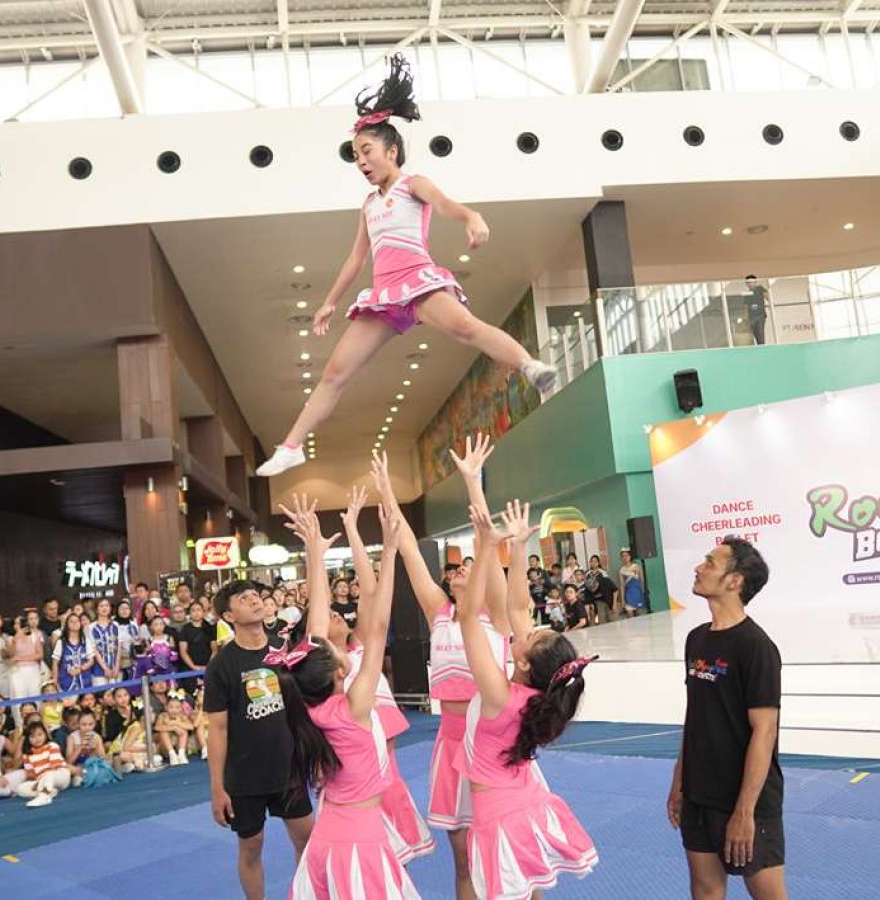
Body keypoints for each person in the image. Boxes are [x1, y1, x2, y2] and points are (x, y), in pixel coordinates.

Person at [255, 55, 556, 478]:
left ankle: (530, 365)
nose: (361, 162)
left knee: (467, 328)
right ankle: (291, 446)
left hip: (419, 284)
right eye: (356, 155)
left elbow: (447, 204)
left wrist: (471, 217)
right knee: (335, 373)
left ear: (391, 150)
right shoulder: (368, 204)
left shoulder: (413, 184)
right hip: (383, 297)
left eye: (367, 152)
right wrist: (327, 303)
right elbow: (356, 258)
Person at [375, 440, 512, 899]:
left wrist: (473, 484)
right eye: (454, 568)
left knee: (506, 854)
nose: (459, 570)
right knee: (464, 858)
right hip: (450, 740)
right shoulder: (439, 612)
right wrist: (389, 497)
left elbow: (487, 541)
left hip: (492, 740)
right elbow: (411, 550)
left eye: (468, 566)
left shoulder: (494, 613)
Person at [274, 500, 424, 898]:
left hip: (335, 826)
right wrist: (388, 553)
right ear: (339, 672)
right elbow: (377, 625)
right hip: (358, 837)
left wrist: (315, 554)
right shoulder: (352, 706)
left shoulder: (309, 707)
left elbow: (319, 619)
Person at [459, 500, 599, 897]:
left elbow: (469, 617)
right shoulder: (536, 692)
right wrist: (518, 548)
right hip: (524, 800)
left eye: (533, 634)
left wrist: (487, 548)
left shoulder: (499, 694)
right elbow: (519, 605)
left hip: (499, 814)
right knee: (530, 889)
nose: (529, 627)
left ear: (522, 660)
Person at [669, 537, 787, 900]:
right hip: (699, 793)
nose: (699, 568)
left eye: (710, 562)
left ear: (734, 580)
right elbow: (696, 717)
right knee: (705, 890)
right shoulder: (696, 639)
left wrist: (744, 812)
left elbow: (764, 731)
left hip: (744, 799)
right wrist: (679, 781)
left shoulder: (756, 647)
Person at [329, 485, 434, 864]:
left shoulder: (360, 645)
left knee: (392, 849)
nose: (336, 613)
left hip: (384, 757)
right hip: (360, 755)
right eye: (329, 615)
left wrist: (354, 529)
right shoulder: (330, 668)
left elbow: (370, 590)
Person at [204, 580, 314, 900]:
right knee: (251, 846)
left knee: (307, 838)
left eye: (256, 595)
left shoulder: (284, 650)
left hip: (288, 766)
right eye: (244, 598)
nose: (254, 600)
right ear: (229, 614)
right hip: (244, 776)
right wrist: (217, 788)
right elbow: (218, 729)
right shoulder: (221, 666)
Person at [16, 722, 72, 808]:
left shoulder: (52, 746)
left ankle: (44, 796)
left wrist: (41, 780)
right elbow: (31, 775)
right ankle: (50, 791)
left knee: (49, 775)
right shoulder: (27, 755)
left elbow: (54, 767)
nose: (37, 738)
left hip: (60, 775)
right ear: (28, 739)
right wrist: (35, 783)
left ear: (45, 734)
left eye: (40, 734)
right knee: (20, 788)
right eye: (32, 736)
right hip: (42, 780)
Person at [7, 614, 44, 699]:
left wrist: (20, 658)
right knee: (18, 696)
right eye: (16, 623)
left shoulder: (36, 635)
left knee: (34, 695)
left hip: (33, 669)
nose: (19, 625)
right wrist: (15, 639)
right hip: (17, 671)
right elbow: (10, 654)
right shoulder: (11, 639)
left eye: (22, 623)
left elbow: (40, 655)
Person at [744, 275, 769, 345]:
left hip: (760, 315)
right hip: (751, 317)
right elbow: (746, 307)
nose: (750, 284)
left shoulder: (760, 288)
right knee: (755, 334)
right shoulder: (747, 294)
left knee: (760, 333)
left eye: (751, 282)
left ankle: (762, 347)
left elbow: (767, 296)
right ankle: (759, 346)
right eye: (748, 283)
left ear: (755, 282)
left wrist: (771, 303)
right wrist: (746, 318)